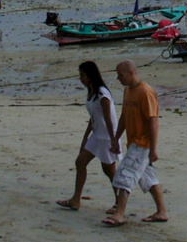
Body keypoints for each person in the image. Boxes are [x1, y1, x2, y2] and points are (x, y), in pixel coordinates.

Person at [102, 59, 168, 227]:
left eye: (120, 75)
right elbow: (124, 117)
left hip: (142, 143)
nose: (118, 78)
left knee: (125, 174)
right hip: (133, 142)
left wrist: (153, 149)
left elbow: (153, 121)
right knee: (148, 179)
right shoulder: (127, 91)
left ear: (131, 73)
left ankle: (119, 214)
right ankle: (162, 212)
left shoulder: (146, 92)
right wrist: (116, 138)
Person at [56, 61, 118, 213]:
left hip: (106, 138)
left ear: (90, 76)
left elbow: (109, 118)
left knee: (109, 170)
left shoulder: (102, 94)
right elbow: (93, 118)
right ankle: (76, 200)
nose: (80, 78)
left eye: (82, 75)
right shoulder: (91, 92)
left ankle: (119, 203)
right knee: (80, 162)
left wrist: (114, 141)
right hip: (97, 136)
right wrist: (85, 137)